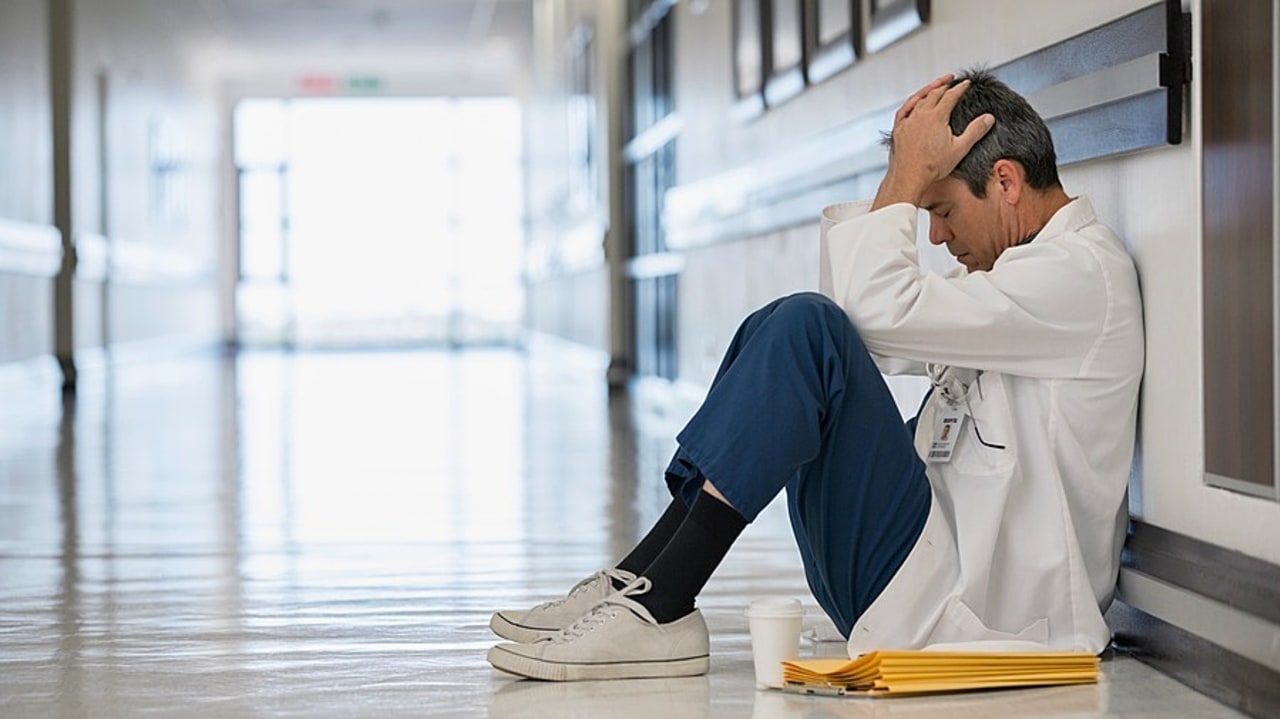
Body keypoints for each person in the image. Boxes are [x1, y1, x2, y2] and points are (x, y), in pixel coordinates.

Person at [486, 68, 1144, 682]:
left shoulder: (1078, 275)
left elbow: (863, 320)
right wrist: (907, 179)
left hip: (987, 614)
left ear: (1004, 181)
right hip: (923, 573)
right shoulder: (1020, 277)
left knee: (806, 326)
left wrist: (905, 177)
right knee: (776, 324)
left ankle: (662, 604)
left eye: (940, 210)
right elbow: (863, 326)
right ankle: (642, 582)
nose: (938, 238)